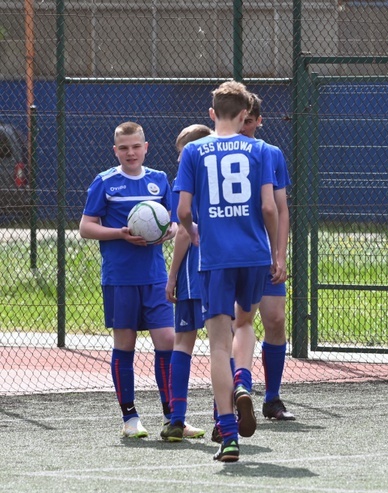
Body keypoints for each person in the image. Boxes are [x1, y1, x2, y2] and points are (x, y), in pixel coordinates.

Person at [174, 81, 279, 462]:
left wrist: (193, 229)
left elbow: (183, 210)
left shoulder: (195, 151)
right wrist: (277, 252)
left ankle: (229, 436)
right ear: (245, 114)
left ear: (212, 113)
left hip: (215, 256)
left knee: (217, 343)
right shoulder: (261, 150)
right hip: (253, 252)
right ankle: (244, 382)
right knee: (246, 324)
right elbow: (270, 208)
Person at [79, 121, 177, 438]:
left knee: (167, 342)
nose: (130, 152)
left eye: (136, 146)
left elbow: (174, 224)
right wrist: (119, 234)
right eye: (124, 148)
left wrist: (166, 233)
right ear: (115, 151)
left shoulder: (159, 180)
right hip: (120, 278)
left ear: (146, 147)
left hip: (155, 278)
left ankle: (172, 417)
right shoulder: (104, 182)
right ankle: (130, 418)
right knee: (125, 345)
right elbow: (86, 227)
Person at [236, 94, 295, 421]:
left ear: (259, 121)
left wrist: (279, 254)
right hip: (233, 255)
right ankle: (233, 392)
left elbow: (280, 209)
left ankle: (272, 398)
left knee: (275, 320)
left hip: (264, 253)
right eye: (240, 119)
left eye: (250, 120)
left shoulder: (271, 154)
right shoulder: (218, 153)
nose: (244, 126)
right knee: (237, 323)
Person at [160, 124, 214, 442]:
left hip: (195, 271)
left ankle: (177, 419)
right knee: (225, 342)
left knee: (184, 344)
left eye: (181, 152)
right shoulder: (221, 176)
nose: (178, 158)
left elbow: (183, 229)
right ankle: (225, 416)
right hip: (225, 266)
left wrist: (172, 276)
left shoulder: (186, 178)